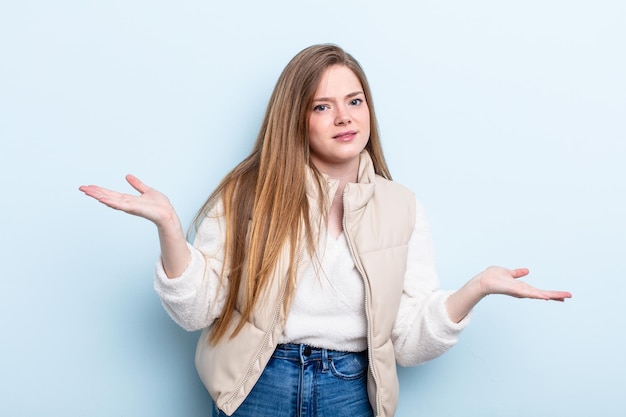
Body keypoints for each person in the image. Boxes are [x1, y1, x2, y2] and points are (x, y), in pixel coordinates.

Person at [79, 44, 571, 417]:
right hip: (256, 384)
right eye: (321, 106)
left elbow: (407, 343)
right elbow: (197, 311)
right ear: (296, 120)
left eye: (354, 101)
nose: (344, 117)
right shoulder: (249, 192)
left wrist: (475, 290)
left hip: (350, 392)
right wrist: (168, 228)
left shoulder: (401, 207)